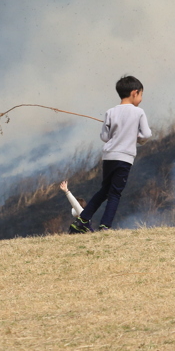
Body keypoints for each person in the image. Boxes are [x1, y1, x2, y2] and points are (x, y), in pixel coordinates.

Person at [70, 75, 152, 233]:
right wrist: (137, 138)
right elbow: (146, 135)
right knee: (115, 193)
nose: (141, 99)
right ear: (134, 93)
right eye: (141, 95)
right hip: (124, 158)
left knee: (104, 190)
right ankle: (105, 226)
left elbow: (105, 137)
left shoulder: (110, 112)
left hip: (109, 157)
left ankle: (82, 220)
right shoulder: (139, 113)